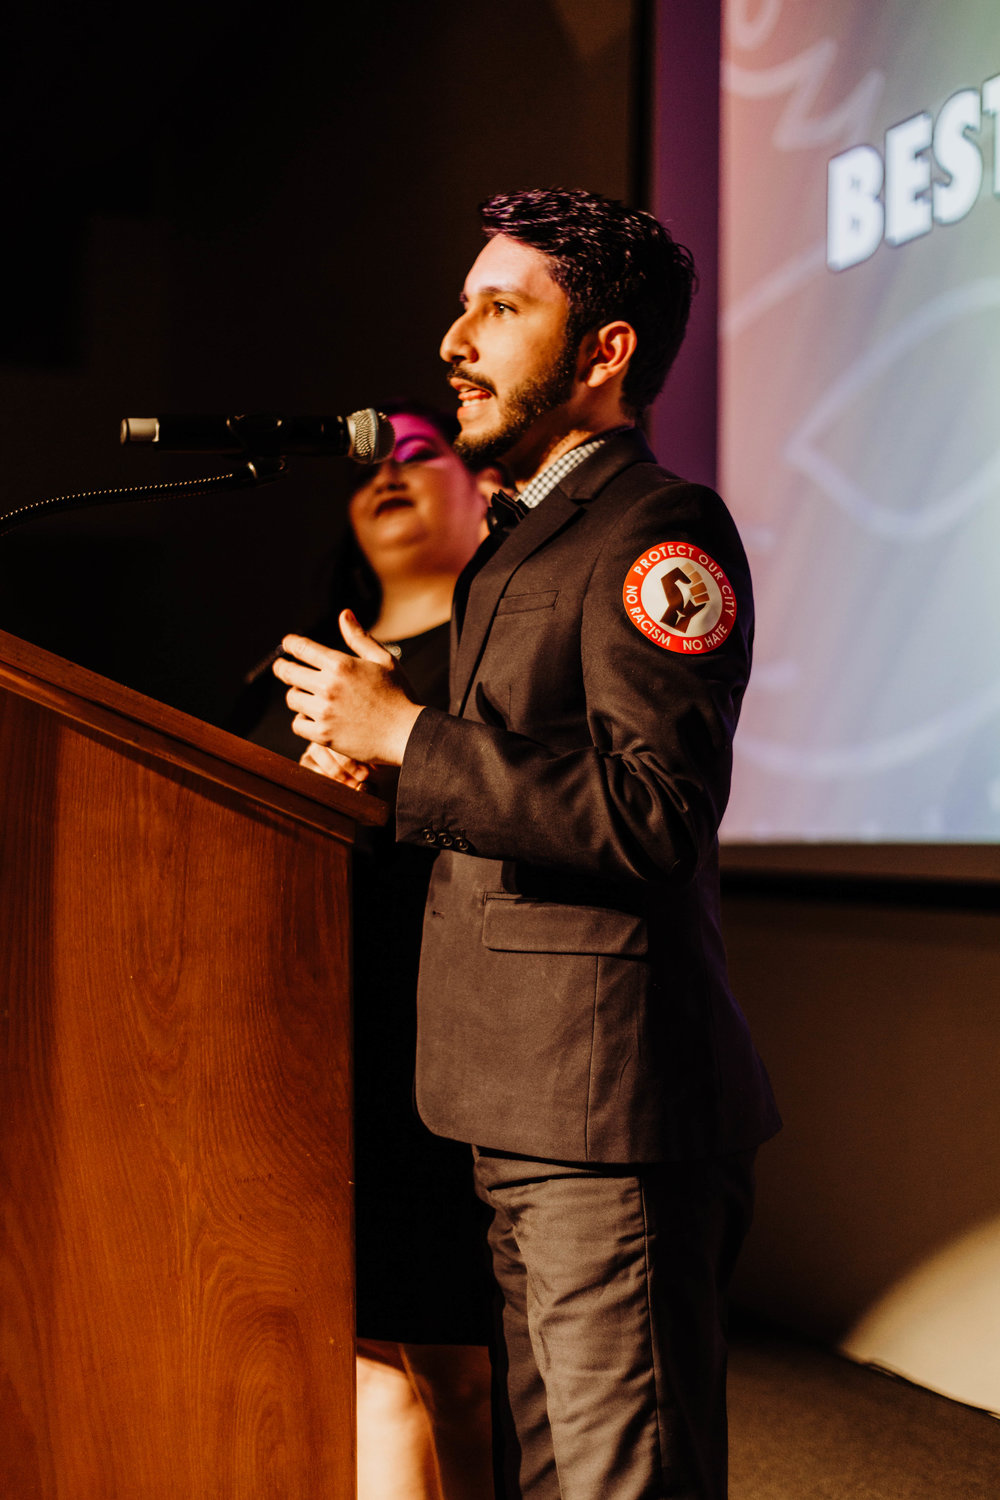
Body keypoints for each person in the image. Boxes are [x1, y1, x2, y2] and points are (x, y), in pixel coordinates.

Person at [274, 189, 781, 1500]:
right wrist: (374, 780)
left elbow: (651, 809)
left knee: (621, 1481)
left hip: (601, 1109)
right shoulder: (521, 540)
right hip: (512, 1101)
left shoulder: (655, 532)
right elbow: (530, 800)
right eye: (463, 304)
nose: (457, 337)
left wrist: (407, 734)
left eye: (502, 308)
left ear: (606, 352)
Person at [242, 404, 501, 1500]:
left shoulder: (504, 655)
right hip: (310, 1045)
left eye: (418, 454)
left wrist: (393, 769)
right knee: (368, 1365)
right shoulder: (287, 668)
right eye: (369, 468)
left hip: (448, 1034)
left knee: (461, 1367)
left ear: (482, 490)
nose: (388, 474)